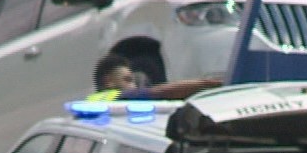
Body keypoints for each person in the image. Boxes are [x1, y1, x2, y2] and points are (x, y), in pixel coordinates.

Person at [88, 52, 221, 102]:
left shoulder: (96, 102)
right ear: (109, 81)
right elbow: (161, 92)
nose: (133, 86)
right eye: (127, 80)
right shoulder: (111, 98)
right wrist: (207, 84)